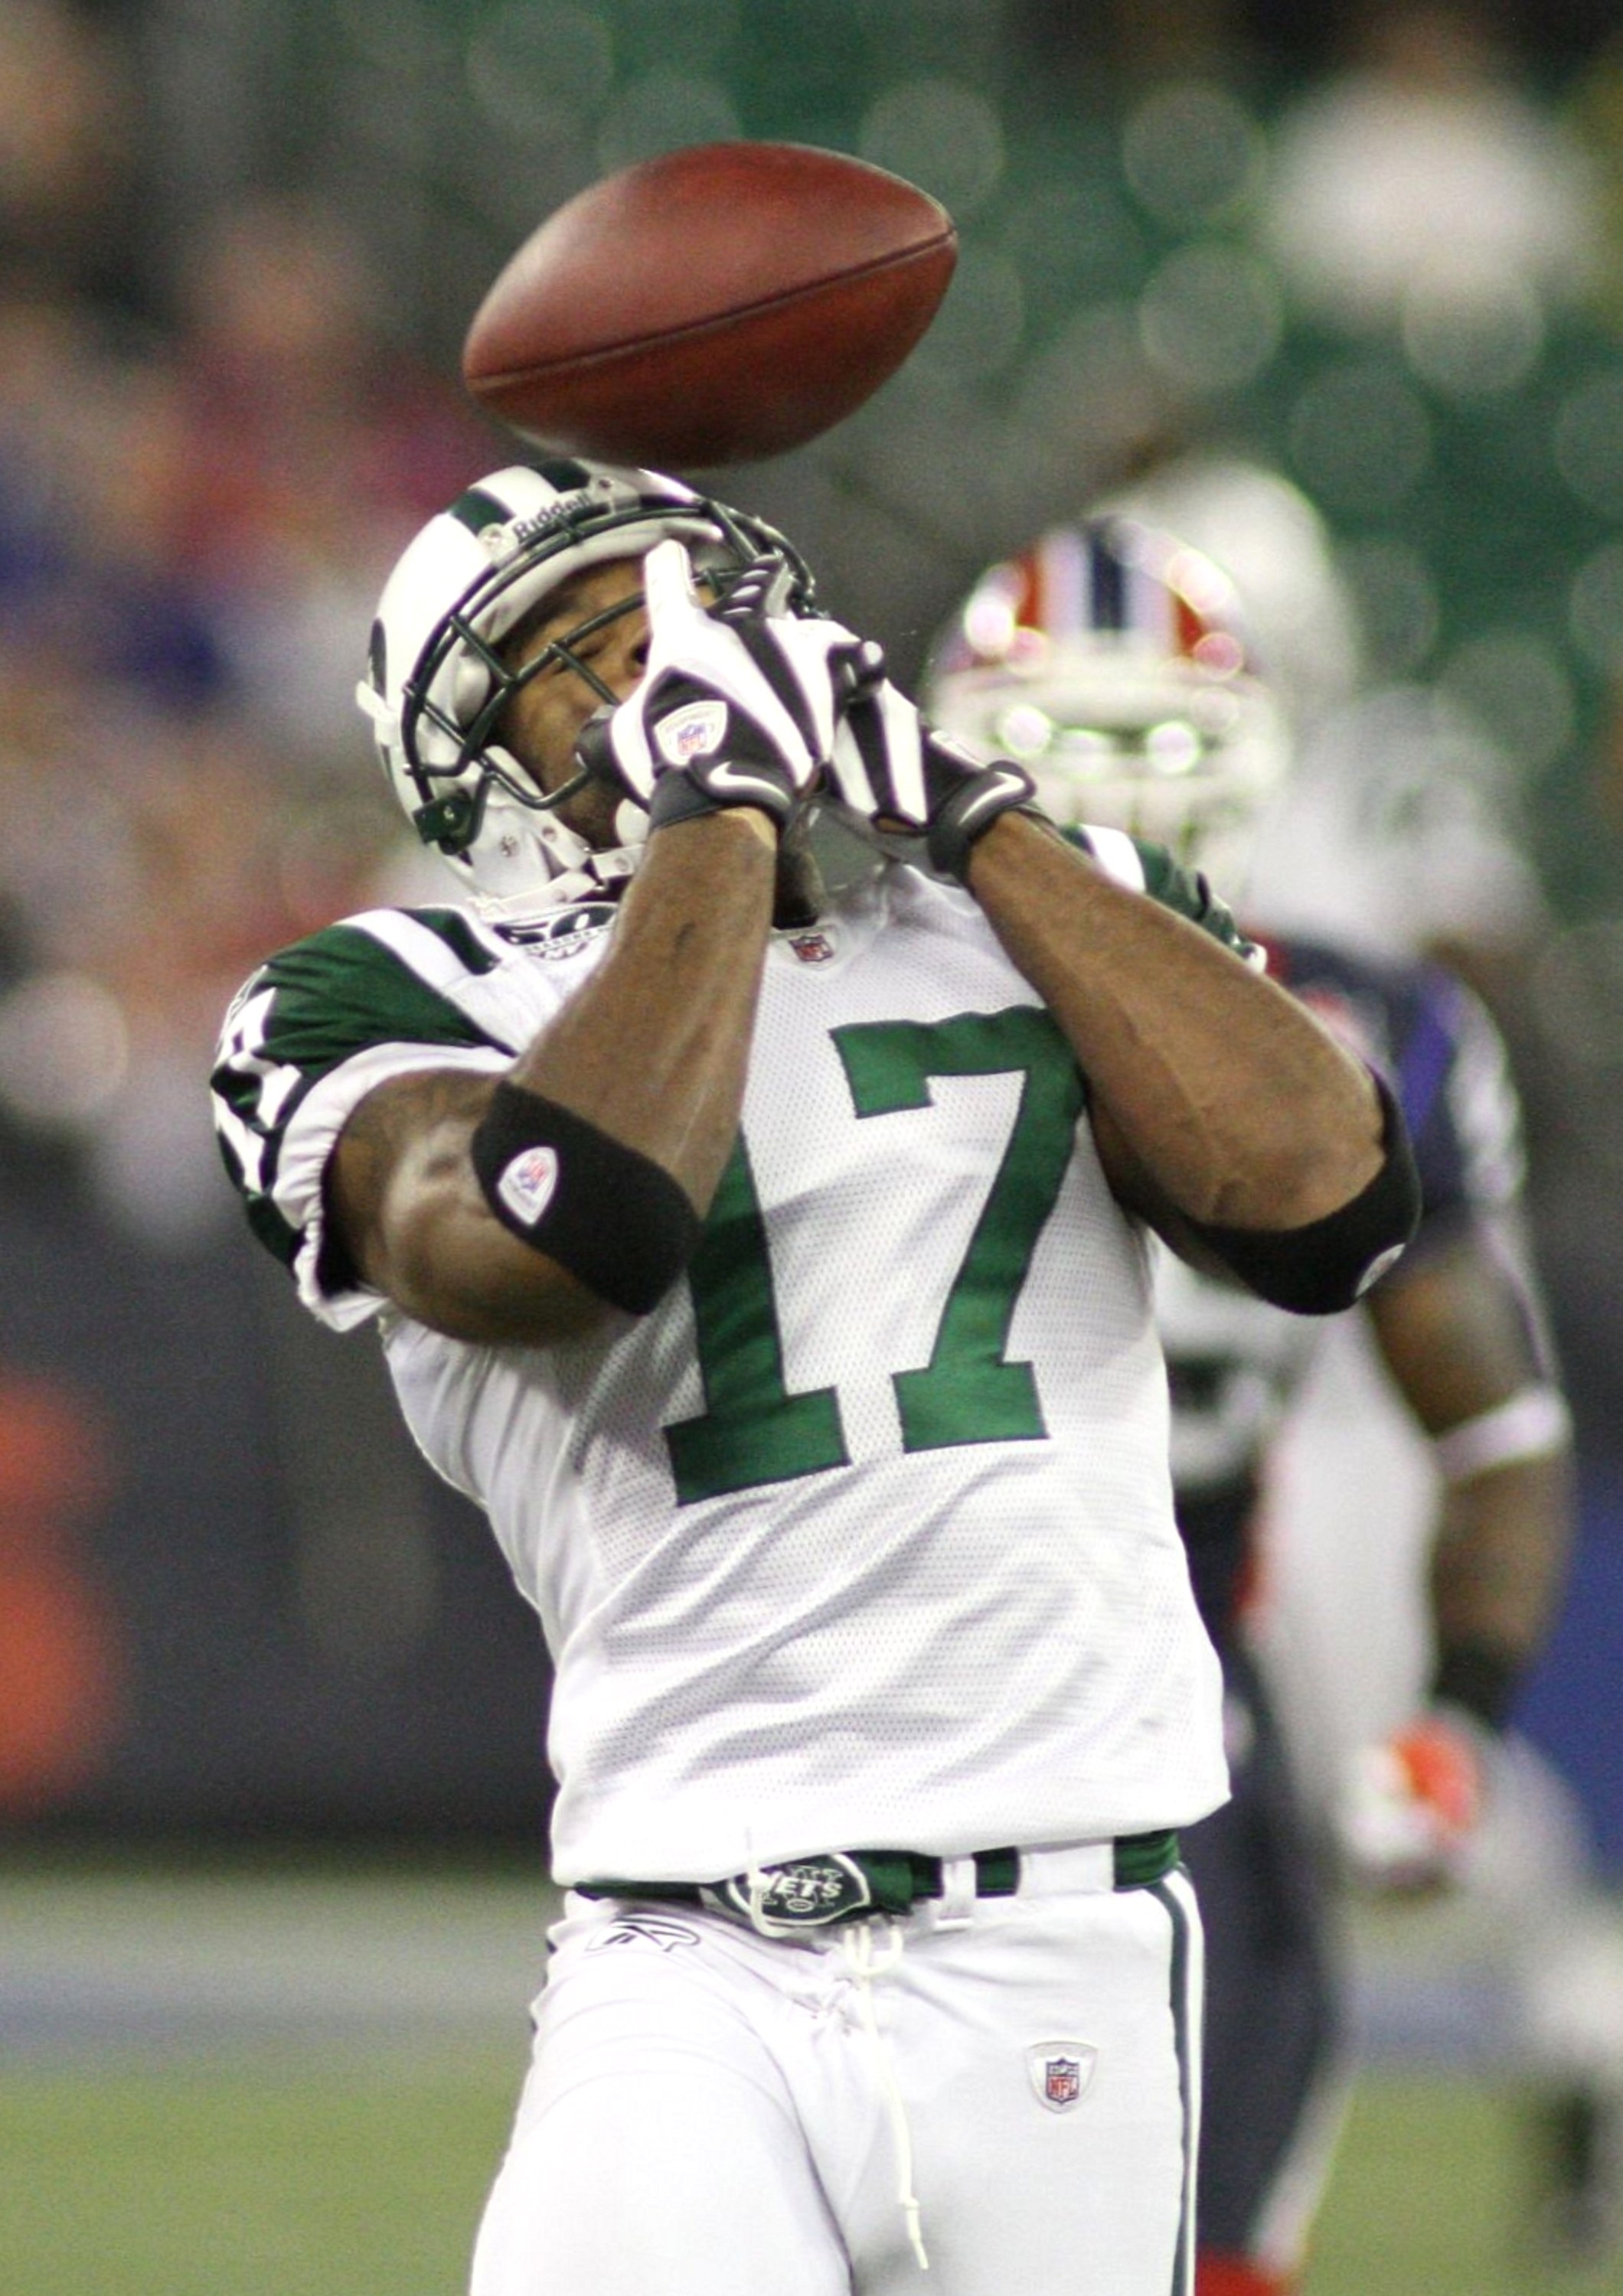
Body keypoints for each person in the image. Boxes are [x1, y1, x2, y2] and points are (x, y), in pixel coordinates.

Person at [208, 456, 1418, 2296]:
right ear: (477, 765)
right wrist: (716, 820)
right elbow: (562, 1232)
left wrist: (976, 818)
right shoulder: (382, 996)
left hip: (1064, 1932)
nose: (672, 664)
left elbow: (1332, 1211)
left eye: (701, 613)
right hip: (686, 1947)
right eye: (589, 654)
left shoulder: (1045, 893)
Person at [923, 507, 1576, 2296]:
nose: (1116, 792)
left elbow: (1494, 1423)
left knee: (1208, 2252)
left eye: (1160, 744)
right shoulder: (841, 984)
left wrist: (1453, 1715)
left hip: (1173, 1710)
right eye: (1066, 740)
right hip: (868, 1692)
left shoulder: (1367, 1023)